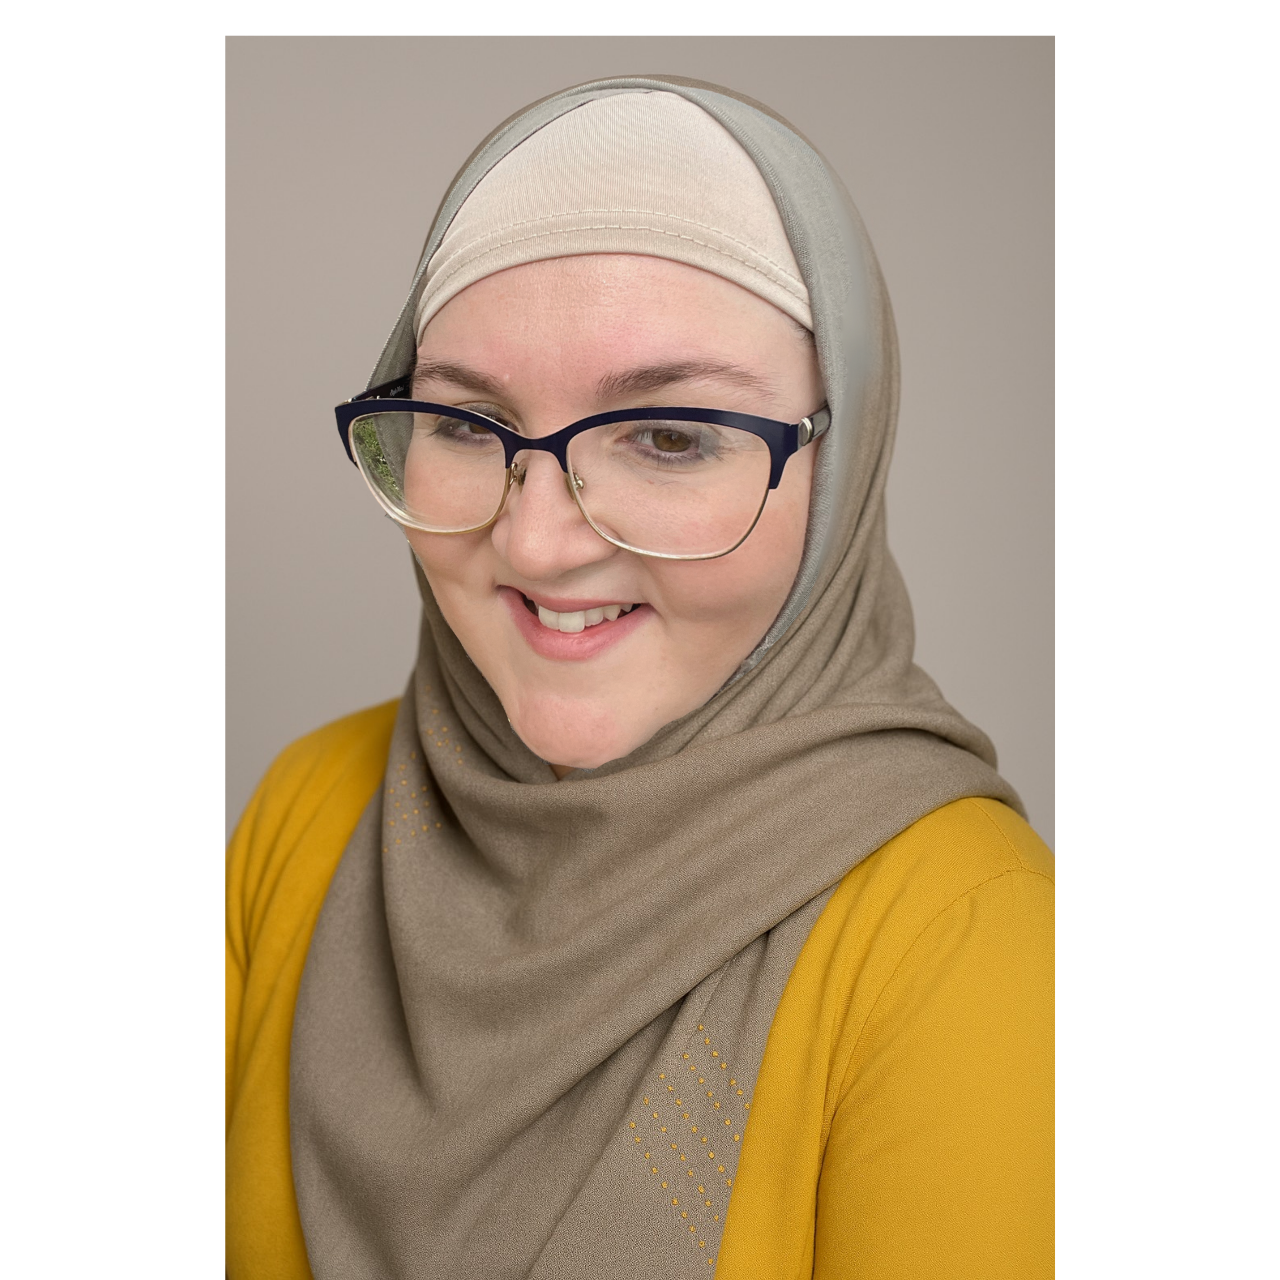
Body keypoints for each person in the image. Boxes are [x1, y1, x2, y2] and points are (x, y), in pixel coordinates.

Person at [225, 77, 1055, 1279]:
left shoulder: (967, 942)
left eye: (668, 436)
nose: (536, 541)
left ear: (839, 463)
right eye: (464, 424)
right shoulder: (313, 810)